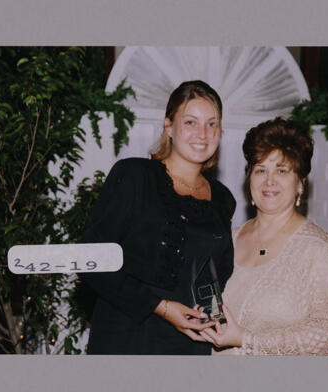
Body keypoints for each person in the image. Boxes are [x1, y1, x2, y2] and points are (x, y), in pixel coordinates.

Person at [79, 80, 236, 355]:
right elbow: (91, 261)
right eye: (190, 122)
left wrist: (209, 317)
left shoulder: (223, 198)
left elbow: (217, 270)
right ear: (169, 126)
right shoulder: (134, 176)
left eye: (212, 124)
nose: (202, 133)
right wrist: (161, 307)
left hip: (189, 342)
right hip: (127, 336)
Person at [200, 117, 328, 355]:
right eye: (261, 170)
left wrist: (247, 340)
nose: (269, 181)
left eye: (281, 170)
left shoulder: (317, 249)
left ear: (300, 183)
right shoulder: (227, 239)